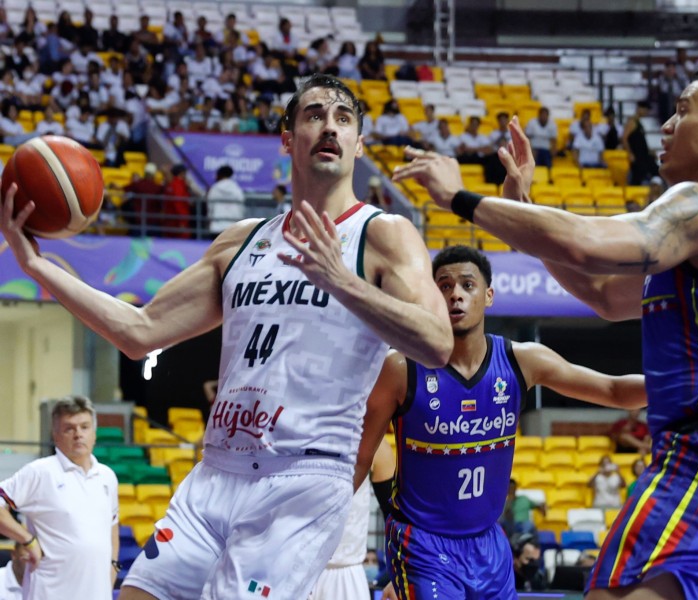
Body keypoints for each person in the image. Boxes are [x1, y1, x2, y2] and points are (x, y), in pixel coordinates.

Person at [0, 72, 451, 600]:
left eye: (343, 118)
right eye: (314, 115)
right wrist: (35, 266)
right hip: (216, 472)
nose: (330, 125)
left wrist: (342, 282)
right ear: (287, 139)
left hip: (300, 480)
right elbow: (138, 330)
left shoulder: (383, 233)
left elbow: (436, 343)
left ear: (357, 143)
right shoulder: (241, 241)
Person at [393, 69, 698, 600]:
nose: (668, 125)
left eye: (683, 111)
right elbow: (605, 293)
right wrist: (526, 206)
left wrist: (461, 199)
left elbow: (585, 242)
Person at [357, 245, 645, 599]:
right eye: (444, 287)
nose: (456, 295)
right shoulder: (401, 368)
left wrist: (685, 384)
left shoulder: (520, 361)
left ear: (489, 296)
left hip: (489, 544)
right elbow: (359, 458)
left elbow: (613, 390)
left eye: (467, 285)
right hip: (423, 544)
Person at [0, 396, 120, 600]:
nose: (78, 434)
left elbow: (112, 527)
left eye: (84, 427)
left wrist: (112, 571)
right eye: (69, 428)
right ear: (55, 435)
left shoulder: (107, 476)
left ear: (94, 433)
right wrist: (28, 540)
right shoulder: (41, 472)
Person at [308, 438, 395, 600]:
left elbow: (393, 516)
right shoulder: (290, 434)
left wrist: (395, 576)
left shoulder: (374, 442)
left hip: (345, 571)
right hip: (292, 564)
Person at [206, 165, 245, 236]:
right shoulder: (236, 189)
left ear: (219, 175)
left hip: (216, 226)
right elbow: (241, 206)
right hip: (233, 227)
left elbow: (210, 206)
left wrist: (210, 219)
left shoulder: (214, 189)